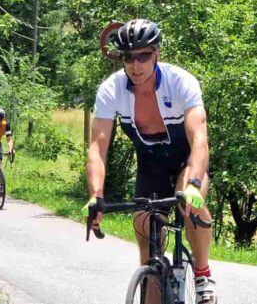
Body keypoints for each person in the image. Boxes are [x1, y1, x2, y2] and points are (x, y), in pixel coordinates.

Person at [85, 19, 217, 303]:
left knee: (191, 204)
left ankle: (203, 274)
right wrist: (96, 196)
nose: (135, 65)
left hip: (187, 162)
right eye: (129, 58)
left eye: (143, 56)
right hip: (151, 167)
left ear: (156, 54)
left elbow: (200, 141)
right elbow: (97, 147)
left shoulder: (180, 82)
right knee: (146, 231)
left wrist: (194, 184)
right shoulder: (112, 90)